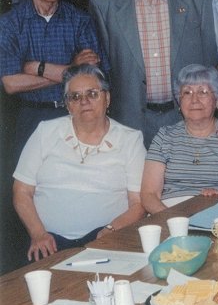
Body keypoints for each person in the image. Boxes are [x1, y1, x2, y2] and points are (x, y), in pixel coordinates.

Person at [90, 0, 217, 147]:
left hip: (186, 118)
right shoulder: (103, 5)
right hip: (130, 123)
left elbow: (209, 61)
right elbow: (104, 70)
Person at [12, 64, 145, 261]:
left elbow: (139, 203)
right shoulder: (45, 132)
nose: (84, 101)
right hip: (48, 241)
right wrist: (38, 234)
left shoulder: (130, 139)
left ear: (107, 98)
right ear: (67, 104)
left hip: (107, 236)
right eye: (75, 96)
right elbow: (21, 191)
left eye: (92, 93)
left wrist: (111, 230)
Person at [1, 0, 106, 159]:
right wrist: (71, 69)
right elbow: (11, 84)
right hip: (29, 118)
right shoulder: (10, 24)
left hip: (74, 116)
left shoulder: (80, 21)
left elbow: (90, 76)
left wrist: (36, 68)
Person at [140, 65, 218, 214]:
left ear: (216, 101)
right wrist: (173, 220)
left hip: (217, 214)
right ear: (179, 101)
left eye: (203, 92)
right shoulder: (164, 136)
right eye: (187, 92)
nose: (194, 100)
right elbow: (149, 195)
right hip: (167, 214)